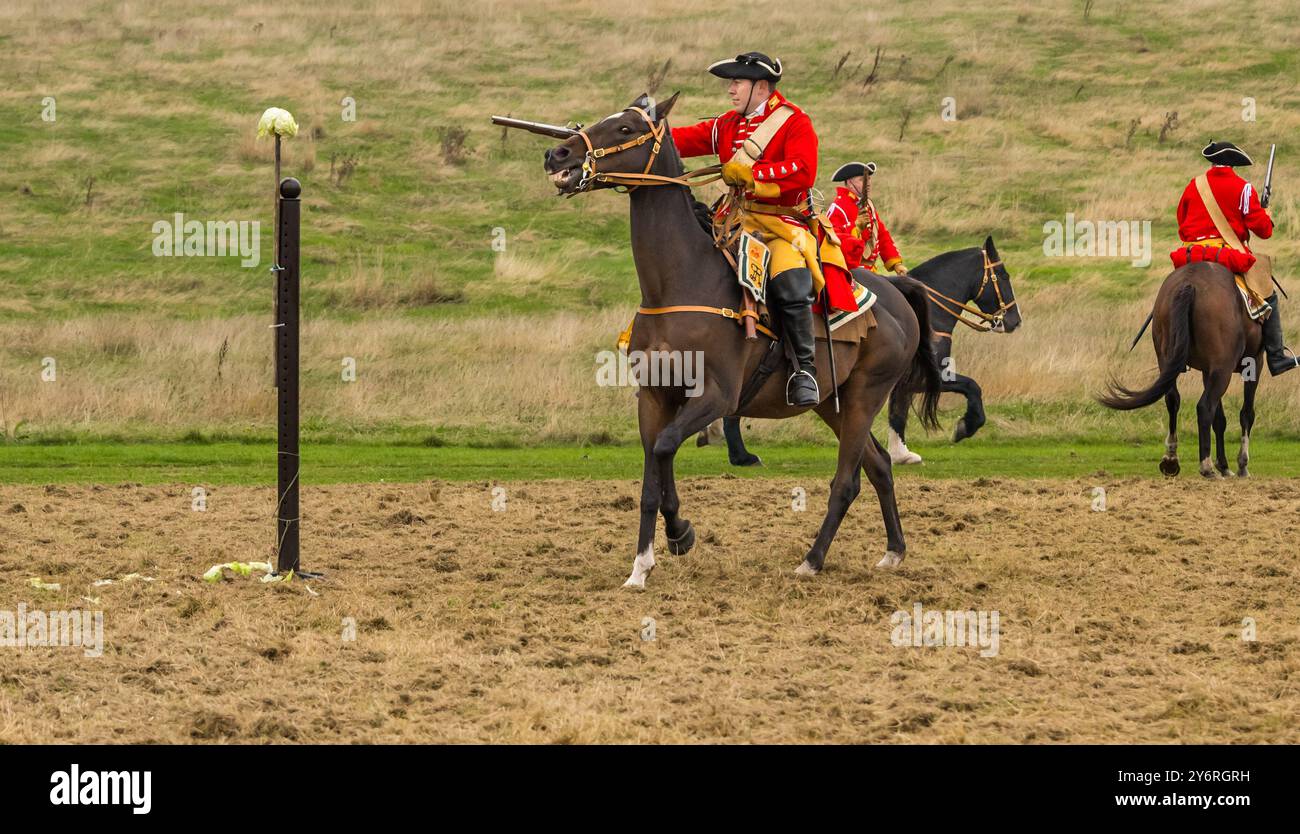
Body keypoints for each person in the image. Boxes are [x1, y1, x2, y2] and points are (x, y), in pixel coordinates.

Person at [671, 52, 856, 406]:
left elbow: (804, 171)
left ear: (761, 86)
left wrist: (754, 175)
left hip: (780, 225)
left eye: (736, 83)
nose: (730, 90)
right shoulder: (727, 124)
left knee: (790, 283)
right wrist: (635, 132)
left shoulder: (794, 122)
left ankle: (804, 371)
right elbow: (681, 140)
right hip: (734, 221)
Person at [1172, 140, 1296, 375]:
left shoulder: (1193, 185)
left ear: (1213, 162)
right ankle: (1277, 356)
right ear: (1233, 164)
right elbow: (1264, 231)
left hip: (1192, 255)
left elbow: (1182, 220)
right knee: (1268, 293)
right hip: (1228, 255)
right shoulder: (1243, 187)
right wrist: (1266, 215)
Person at [827, 161, 907, 274]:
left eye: (869, 179)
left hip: (870, 272)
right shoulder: (838, 207)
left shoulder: (868, 205)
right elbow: (832, 240)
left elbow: (881, 235)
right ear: (850, 183)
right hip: (850, 272)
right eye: (862, 179)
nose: (868, 183)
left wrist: (896, 264)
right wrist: (856, 228)